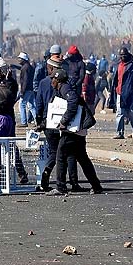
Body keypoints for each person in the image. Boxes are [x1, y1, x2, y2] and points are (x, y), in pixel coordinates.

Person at [46, 69, 103, 195]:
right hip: (78, 130)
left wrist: (64, 121)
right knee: (83, 158)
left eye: (53, 79)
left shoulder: (65, 88)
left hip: (73, 130)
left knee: (60, 156)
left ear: (58, 80)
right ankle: (96, 186)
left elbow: (73, 102)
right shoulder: (63, 88)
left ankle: (60, 187)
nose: (51, 81)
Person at [35, 58, 82, 192]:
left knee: (55, 152)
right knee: (70, 153)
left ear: (50, 69)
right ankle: (73, 183)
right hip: (66, 123)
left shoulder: (44, 83)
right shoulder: (68, 82)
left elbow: (39, 104)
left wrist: (39, 121)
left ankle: (48, 176)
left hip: (50, 122)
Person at [111, 47, 133, 139]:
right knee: (119, 113)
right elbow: (115, 80)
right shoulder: (118, 65)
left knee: (132, 114)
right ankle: (119, 133)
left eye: (124, 55)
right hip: (120, 93)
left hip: (131, 94)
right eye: (121, 55)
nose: (122, 57)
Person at [17, 52, 36, 127]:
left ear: (24, 59)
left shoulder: (25, 68)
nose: (18, 60)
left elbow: (25, 80)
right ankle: (38, 121)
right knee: (31, 106)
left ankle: (24, 122)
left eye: (20, 59)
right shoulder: (28, 66)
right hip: (31, 89)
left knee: (22, 105)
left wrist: (22, 91)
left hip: (26, 89)